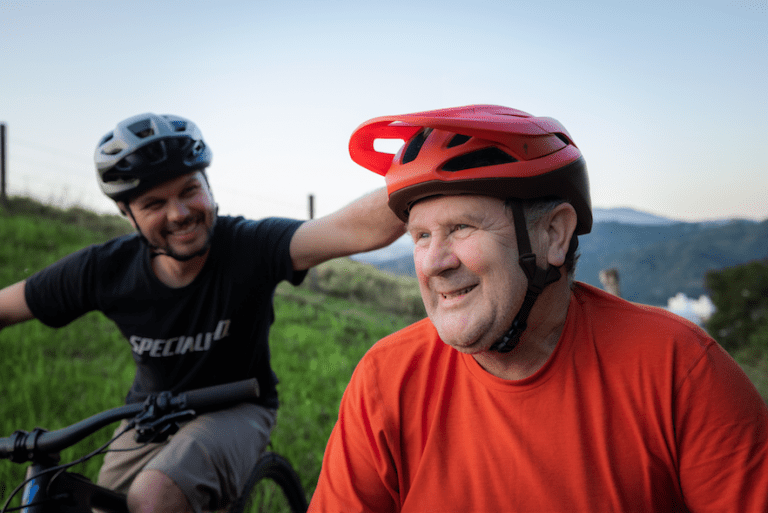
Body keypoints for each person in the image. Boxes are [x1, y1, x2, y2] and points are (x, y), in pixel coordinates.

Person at [309, 105, 768, 512]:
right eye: (421, 235)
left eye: (462, 227)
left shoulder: (678, 369)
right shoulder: (386, 382)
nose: (433, 263)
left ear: (553, 235)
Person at [0, 113, 405, 513]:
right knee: (102, 506)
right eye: (154, 203)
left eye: (189, 190)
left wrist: (422, 172)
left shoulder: (249, 246)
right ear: (128, 214)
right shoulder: (105, 269)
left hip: (240, 406)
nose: (178, 213)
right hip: (149, 414)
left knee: (154, 496)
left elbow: (355, 229)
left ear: (208, 185)